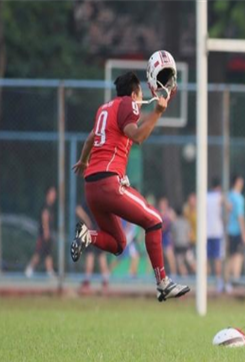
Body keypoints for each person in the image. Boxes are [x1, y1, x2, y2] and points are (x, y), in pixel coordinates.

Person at [70, 54, 189, 302]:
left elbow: (91, 138)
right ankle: (163, 283)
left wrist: (83, 160)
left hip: (91, 186)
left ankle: (87, 236)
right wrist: (157, 111)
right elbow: (138, 136)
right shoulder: (129, 104)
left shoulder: (105, 109)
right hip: (109, 183)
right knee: (155, 221)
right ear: (135, 93)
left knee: (118, 244)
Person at [76, 202, 111, 291]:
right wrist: (88, 220)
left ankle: (92, 282)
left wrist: (87, 221)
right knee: (97, 256)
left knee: (94, 256)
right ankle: (103, 282)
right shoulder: (95, 200)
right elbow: (78, 210)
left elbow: (78, 210)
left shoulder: (92, 199)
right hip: (96, 231)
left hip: (94, 231)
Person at [25, 186, 57, 278]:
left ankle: (50, 271)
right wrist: (46, 231)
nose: (54, 196)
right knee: (38, 253)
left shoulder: (50, 207)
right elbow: (44, 217)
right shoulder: (46, 206)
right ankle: (29, 269)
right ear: (47, 195)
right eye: (52, 194)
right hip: (44, 235)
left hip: (47, 235)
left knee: (48, 253)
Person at [225, 174, 245, 293]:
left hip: (229, 230)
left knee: (230, 256)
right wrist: (244, 232)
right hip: (237, 230)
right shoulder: (239, 198)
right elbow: (240, 216)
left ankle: (226, 281)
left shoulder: (228, 196)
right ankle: (235, 281)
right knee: (238, 256)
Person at [207, 177, 226, 292]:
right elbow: (229, 207)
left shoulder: (205, 197)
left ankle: (206, 280)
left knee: (206, 258)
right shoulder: (220, 197)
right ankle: (218, 281)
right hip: (217, 231)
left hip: (206, 231)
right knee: (217, 258)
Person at [172, 206, 195, 276]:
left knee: (180, 263)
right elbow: (189, 234)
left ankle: (184, 277)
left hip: (178, 246)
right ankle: (199, 273)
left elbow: (173, 234)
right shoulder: (186, 222)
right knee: (191, 261)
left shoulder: (175, 223)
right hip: (186, 245)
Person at [158, 196, 177, 277]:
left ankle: (174, 273)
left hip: (167, 237)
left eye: (164, 204)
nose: (163, 205)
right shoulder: (158, 212)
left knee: (170, 256)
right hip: (159, 236)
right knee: (157, 256)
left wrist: (171, 217)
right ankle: (155, 274)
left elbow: (175, 222)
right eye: (161, 204)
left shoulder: (170, 212)